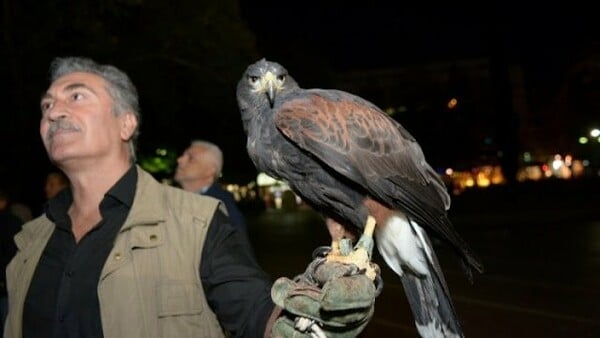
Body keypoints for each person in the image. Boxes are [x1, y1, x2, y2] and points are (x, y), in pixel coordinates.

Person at [3, 56, 377, 338]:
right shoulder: (26, 243)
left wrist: (307, 322)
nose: (54, 111)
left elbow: (254, 309)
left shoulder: (198, 222)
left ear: (125, 123)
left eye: (76, 96)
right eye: (46, 105)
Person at [174, 140, 247, 232]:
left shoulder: (219, 210)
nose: (179, 160)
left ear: (210, 171)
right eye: (183, 156)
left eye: (191, 158)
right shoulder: (181, 201)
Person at [0, 189, 23, 335]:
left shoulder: (11, 222)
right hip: (6, 282)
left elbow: (15, 253)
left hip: (7, 283)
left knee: (9, 322)